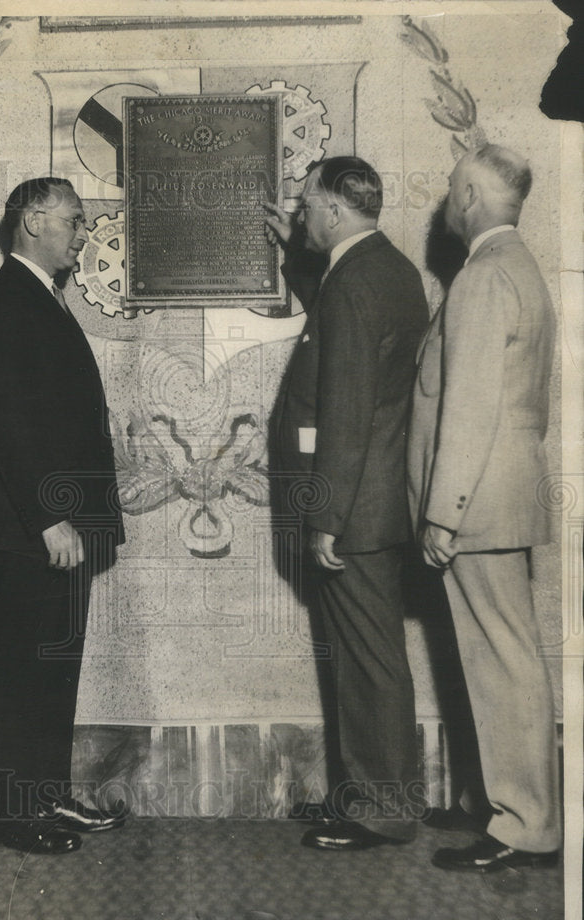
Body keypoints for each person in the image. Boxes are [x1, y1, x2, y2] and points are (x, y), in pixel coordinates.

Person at [264, 157, 429, 851]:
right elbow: (339, 335)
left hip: (352, 510)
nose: (300, 214)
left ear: (333, 208)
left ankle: (382, 810)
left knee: (369, 662)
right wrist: (296, 261)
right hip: (370, 503)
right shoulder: (377, 270)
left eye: (305, 205)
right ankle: (366, 796)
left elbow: (346, 409)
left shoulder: (357, 282)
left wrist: (325, 514)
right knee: (370, 657)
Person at [408, 144, 561, 872]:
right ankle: (498, 805)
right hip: (506, 496)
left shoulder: (481, 278)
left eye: (447, 192)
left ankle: (523, 825)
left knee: (503, 661)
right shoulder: (522, 270)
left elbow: (466, 408)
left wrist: (445, 511)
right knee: (505, 656)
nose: (444, 206)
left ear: (469, 196)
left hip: (476, 504)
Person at [0, 177, 125, 855]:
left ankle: (42, 795)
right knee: (18, 674)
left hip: (61, 528)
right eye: (73, 222)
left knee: (50, 670)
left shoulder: (39, 298)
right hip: (36, 533)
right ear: (33, 221)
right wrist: (48, 518)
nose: (82, 235)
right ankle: (6, 814)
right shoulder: (4, 302)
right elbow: (6, 425)